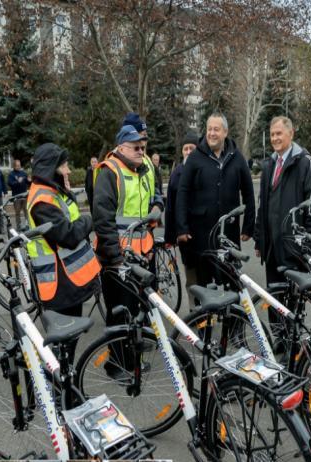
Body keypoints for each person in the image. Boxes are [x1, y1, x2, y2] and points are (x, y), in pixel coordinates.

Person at [93, 125, 163, 361]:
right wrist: (116, 258)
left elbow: (147, 211)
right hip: (117, 259)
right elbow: (103, 220)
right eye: (136, 147)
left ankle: (131, 357)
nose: (141, 151)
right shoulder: (109, 172)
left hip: (139, 255)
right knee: (119, 313)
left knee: (135, 309)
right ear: (121, 147)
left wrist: (150, 246)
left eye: (143, 147)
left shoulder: (142, 170)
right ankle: (118, 362)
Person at [26, 143, 101, 356]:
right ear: (51, 169)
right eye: (64, 166)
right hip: (60, 285)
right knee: (63, 348)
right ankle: (55, 387)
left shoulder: (51, 191)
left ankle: (62, 385)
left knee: (69, 344)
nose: (68, 171)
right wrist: (89, 221)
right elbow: (67, 235)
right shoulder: (42, 200)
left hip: (68, 282)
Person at [176, 113, 256, 287]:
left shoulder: (236, 157)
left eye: (216, 129)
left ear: (225, 132)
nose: (212, 133)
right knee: (205, 286)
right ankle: (207, 315)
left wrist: (248, 226)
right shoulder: (195, 158)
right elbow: (182, 192)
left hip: (229, 233)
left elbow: (249, 193)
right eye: (209, 129)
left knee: (232, 283)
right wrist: (182, 227)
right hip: (201, 234)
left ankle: (231, 314)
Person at [254, 116, 311, 284]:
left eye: (279, 133)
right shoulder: (269, 165)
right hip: (272, 249)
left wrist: (309, 245)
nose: (274, 138)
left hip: (294, 250)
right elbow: (262, 206)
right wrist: (259, 240)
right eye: (272, 135)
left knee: (292, 306)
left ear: (291, 133)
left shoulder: (305, 163)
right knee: (275, 302)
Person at [164, 131, 198, 308]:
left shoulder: (205, 169)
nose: (188, 151)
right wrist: (170, 237)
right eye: (185, 148)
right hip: (185, 235)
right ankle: (195, 312)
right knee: (191, 277)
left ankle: (208, 312)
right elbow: (170, 207)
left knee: (205, 277)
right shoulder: (176, 174)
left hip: (203, 232)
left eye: (192, 148)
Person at [7, 158, 30, 229]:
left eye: (19, 165)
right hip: (16, 197)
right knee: (17, 212)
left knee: (26, 211)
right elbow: (10, 183)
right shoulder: (11, 174)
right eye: (17, 166)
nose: (18, 167)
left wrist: (29, 181)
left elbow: (28, 182)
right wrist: (17, 182)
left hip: (24, 195)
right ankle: (18, 226)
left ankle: (27, 224)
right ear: (14, 166)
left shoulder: (23, 173)